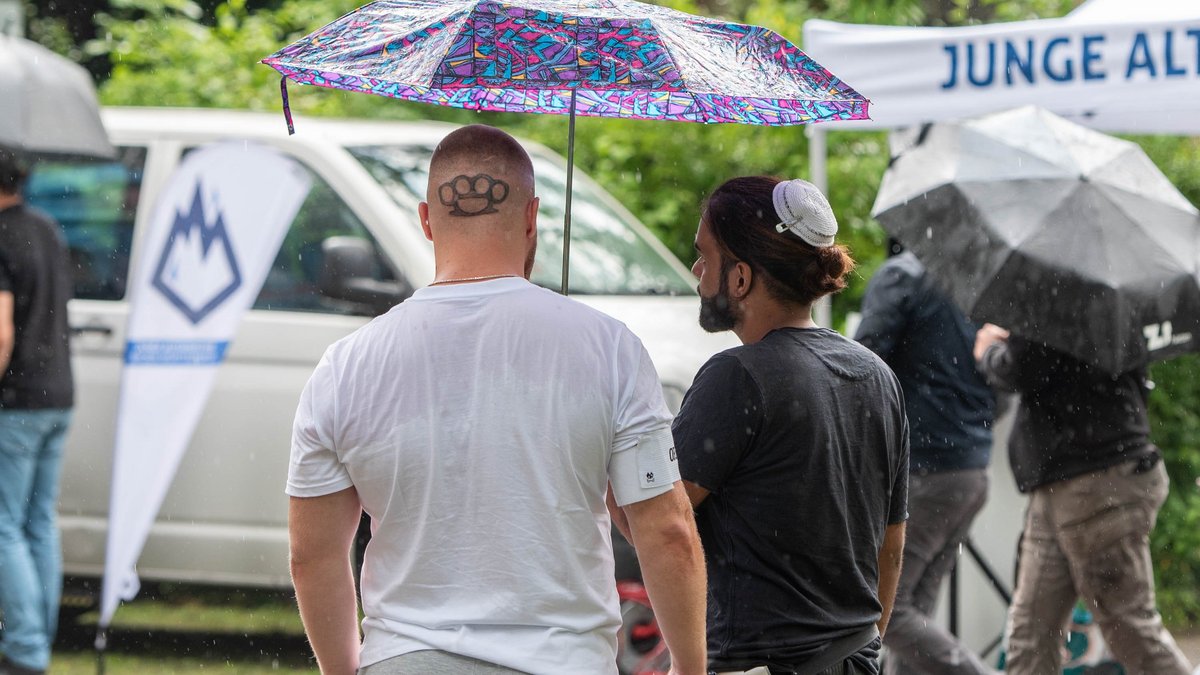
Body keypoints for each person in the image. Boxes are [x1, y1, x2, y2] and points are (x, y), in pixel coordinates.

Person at [286, 124, 707, 675]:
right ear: (533, 218)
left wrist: (346, 669)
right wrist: (689, 667)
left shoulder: (345, 366)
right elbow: (667, 530)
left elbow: (312, 556)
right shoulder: (611, 349)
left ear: (425, 221)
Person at [671, 176, 908, 674]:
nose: (696, 270)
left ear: (740, 278)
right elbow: (891, 544)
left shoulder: (737, 376)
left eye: (704, 255)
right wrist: (865, 646)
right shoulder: (877, 375)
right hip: (857, 658)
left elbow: (662, 522)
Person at [974, 326, 1193, 675]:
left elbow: (1023, 368)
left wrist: (990, 352)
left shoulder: (1054, 297)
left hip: (1092, 481)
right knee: (1031, 632)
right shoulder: (1118, 301)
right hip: (1072, 479)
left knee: (1129, 629)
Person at [853, 243, 995, 675]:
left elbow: (860, 367)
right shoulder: (976, 284)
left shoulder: (902, 276)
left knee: (886, 610)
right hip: (971, 471)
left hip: (923, 471)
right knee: (916, 611)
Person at [0, 147, 75, 675]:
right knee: (38, 523)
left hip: (16, 401)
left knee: (3, 526)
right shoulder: (46, 228)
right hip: (58, 394)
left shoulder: (0, 236)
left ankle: (25, 651)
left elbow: (1, 334)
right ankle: (39, 641)